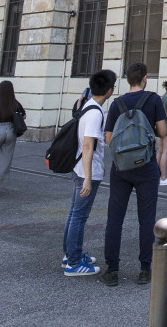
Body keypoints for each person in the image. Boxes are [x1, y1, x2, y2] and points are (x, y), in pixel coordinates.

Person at [101, 62, 166, 287]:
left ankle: (112, 271)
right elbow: (163, 132)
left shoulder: (116, 103)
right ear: (145, 78)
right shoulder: (154, 99)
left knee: (115, 219)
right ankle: (145, 269)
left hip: (121, 168)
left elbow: (109, 138)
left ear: (127, 80)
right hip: (146, 166)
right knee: (146, 218)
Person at [63, 68, 115, 277]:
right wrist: (87, 178)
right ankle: (73, 263)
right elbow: (87, 145)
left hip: (82, 168)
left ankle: (70, 254)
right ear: (109, 90)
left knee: (74, 214)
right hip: (86, 172)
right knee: (79, 216)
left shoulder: (88, 106)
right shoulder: (95, 112)